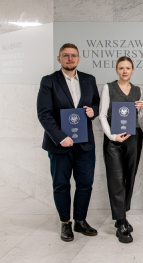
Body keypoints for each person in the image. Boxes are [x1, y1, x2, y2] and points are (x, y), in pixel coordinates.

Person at [37, 43, 100, 242]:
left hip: (85, 144)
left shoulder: (89, 80)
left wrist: (93, 111)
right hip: (59, 145)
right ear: (59, 59)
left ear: (79, 59)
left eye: (73, 56)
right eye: (66, 56)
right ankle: (66, 223)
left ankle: (80, 220)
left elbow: (97, 103)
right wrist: (60, 137)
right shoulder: (49, 81)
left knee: (85, 184)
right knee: (61, 185)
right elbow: (44, 114)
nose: (70, 59)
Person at [98, 56, 143, 243]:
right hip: (114, 140)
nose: (125, 71)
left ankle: (122, 216)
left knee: (129, 176)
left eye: (128, 68)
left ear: (133, 70)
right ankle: (121, 222)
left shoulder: (137, 90)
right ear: (116, 70)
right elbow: (102, 115)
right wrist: (112, 136)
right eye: (121, 68)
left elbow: (137, 116)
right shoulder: (108, 88)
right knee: (116, 178)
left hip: (133, 138)